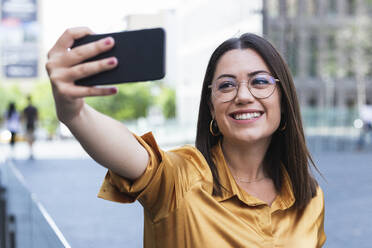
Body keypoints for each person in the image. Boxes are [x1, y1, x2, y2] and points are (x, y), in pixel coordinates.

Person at [46, 27, 326, 247]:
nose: (243, 96)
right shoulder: (179, 179)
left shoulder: (310, 197)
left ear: (284, 98)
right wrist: (74, 112)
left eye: (260, 81)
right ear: (211, 106)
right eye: (227, 85)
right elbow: (129, 152)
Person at [22, 95, 38, 159]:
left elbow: (23, 117)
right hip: (32, 124)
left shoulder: (26, 109)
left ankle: (31, 150)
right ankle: (31, 150)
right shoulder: (33, 108)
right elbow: (37, 117)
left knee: (29, 137)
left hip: (29, 124)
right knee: (31, 137)